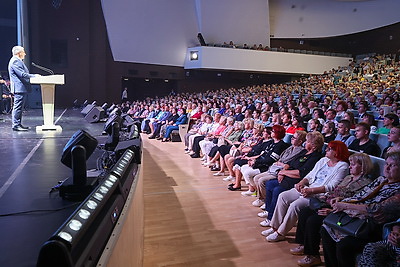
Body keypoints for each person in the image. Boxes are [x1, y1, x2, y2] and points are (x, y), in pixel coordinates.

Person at [292, 153, 373, 267]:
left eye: (353, 165)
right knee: (305, 212)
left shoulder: (366, 184)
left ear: (363, 167)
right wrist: (327, 197)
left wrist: (332, 208)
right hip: (329, 203)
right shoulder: (348, 177)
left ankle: (313, 255)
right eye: (350, 164)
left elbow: (355, 202)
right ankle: (305, 247)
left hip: (342, 211)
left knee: (313, 221)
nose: (350, 167)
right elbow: (335, 191)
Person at [321, 151, 400, 267]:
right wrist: (341, 199)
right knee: (325, 228)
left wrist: (345, 205)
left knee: (344, 245)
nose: (387, 168)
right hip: (357, 216)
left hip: (373, 225)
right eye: (386, 164)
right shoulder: (381, 180)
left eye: (392, 165)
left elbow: (375, 209)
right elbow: (361, 195)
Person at [263, 141, 350, 242]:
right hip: (307, 188)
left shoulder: (343, 166)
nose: (326, 150)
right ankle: (274, 227)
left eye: (329, 149)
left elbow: (331, 186)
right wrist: (301, 183)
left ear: (336, 152)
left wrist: (311, 190)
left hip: (319, 195)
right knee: (283, 196)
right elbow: (310, 175)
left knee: (295, 205)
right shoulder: (323, 160)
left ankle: (280, 233)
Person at [8, 45, 37, 131]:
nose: (25, 54)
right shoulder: (15, 61)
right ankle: (16, 125)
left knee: (20, 107)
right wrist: (34, 76)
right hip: (19, 88)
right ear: (19, 53)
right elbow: (22, 74)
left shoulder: (17, 61)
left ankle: (18, 124)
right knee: (17, 107)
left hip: (20, 88)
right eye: (23, 52)